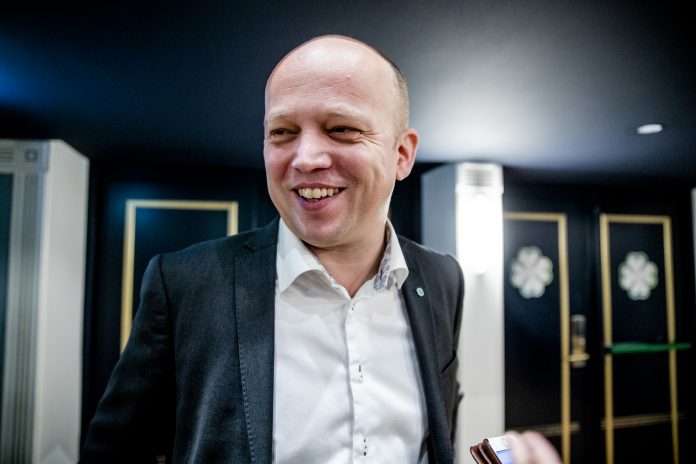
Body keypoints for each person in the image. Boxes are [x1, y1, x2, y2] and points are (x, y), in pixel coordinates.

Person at [81, 35, 464, 463]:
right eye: (282, 132)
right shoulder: (186, 284)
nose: (305, 158)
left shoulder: (442, 279)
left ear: (402, 154)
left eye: (341, 129)